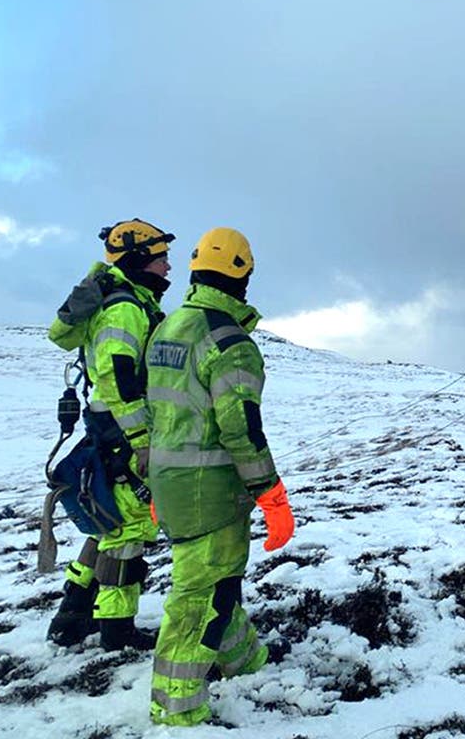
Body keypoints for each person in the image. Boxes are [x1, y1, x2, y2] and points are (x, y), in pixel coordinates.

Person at [146, 227, 295, 726]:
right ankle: (177, 708)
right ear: (242, 273)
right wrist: (271, 495)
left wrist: (152, 481)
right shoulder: (231, 344)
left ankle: (242, 660)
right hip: (210, 494)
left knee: (218, 583)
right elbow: (241, 432)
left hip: (169, 484)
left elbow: (153, 416)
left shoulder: (167, 330)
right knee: (202, 596)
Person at [47, 219, 175, 651]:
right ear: (140, 261)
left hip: (108, 429)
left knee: (109, 526)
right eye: (160, 259)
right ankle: (117, 629)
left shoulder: (125, 301)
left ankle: (72, 615)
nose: (167, 268)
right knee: (130, 530)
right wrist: (142, 440)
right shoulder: (125, 309)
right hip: (123, 430)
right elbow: (119, 379)